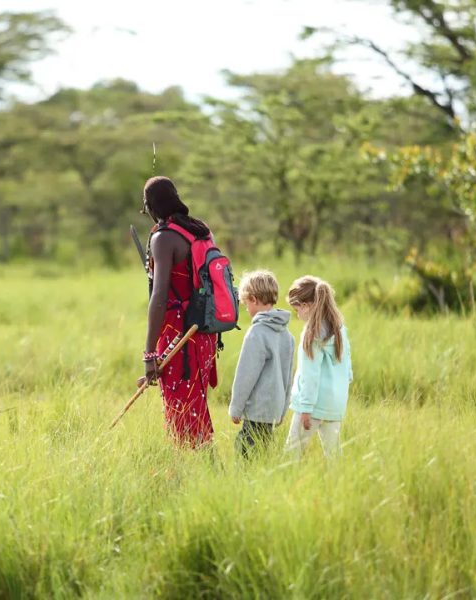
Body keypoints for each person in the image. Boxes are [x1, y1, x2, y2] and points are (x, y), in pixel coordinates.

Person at [137, 176, 219, 448]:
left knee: (182, 412)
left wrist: (149, 355)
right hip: (204, 333)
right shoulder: (201, 230)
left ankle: (197, 473)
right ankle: (203, 472)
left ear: (150, 205)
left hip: (179, 335)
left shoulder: (163, 238)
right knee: (194, 404)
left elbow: (159, 296)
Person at [283, 276, 353, 458]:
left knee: (292, 453)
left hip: (312, 406)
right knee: (334, 455)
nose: (297, 314)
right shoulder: (339, 328)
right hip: (335, 405)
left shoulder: (311, 333)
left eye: (297, 309)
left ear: (307, 305)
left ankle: (287, 484)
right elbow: (348, 368)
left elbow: (310, 373)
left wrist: (306, 408)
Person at [228, 270, 294, 458]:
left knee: (245, 454)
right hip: (274, 410)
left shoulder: (256, 333)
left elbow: (246, 375)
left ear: (254, 299)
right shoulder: (286, 335)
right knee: (263, 454)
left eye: (246, 303)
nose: (246, 309)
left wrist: (236, 407)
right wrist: (283, 409)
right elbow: (287, 376)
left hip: (256, 410)